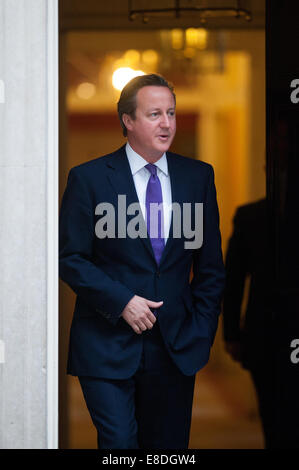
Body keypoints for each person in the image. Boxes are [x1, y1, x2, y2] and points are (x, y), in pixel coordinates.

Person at [59, 73, 225, 449]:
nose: (166, 123)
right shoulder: (89, 179)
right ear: (127, 121)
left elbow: (211, 268)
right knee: (119, 445)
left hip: (176, 346)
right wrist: (122, 302)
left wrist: (200, 329)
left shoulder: (198, 177)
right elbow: (71, 258)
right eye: (154, 114)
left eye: (171, 113)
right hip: (106, 343)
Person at [222, 198, 275, 448]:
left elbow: (232, 280)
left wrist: (231, 334)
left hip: (264, 333)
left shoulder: (253, 216)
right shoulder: (251, 216)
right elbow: (232, 280)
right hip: (265, 336)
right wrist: (231, 333)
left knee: (275, 416)